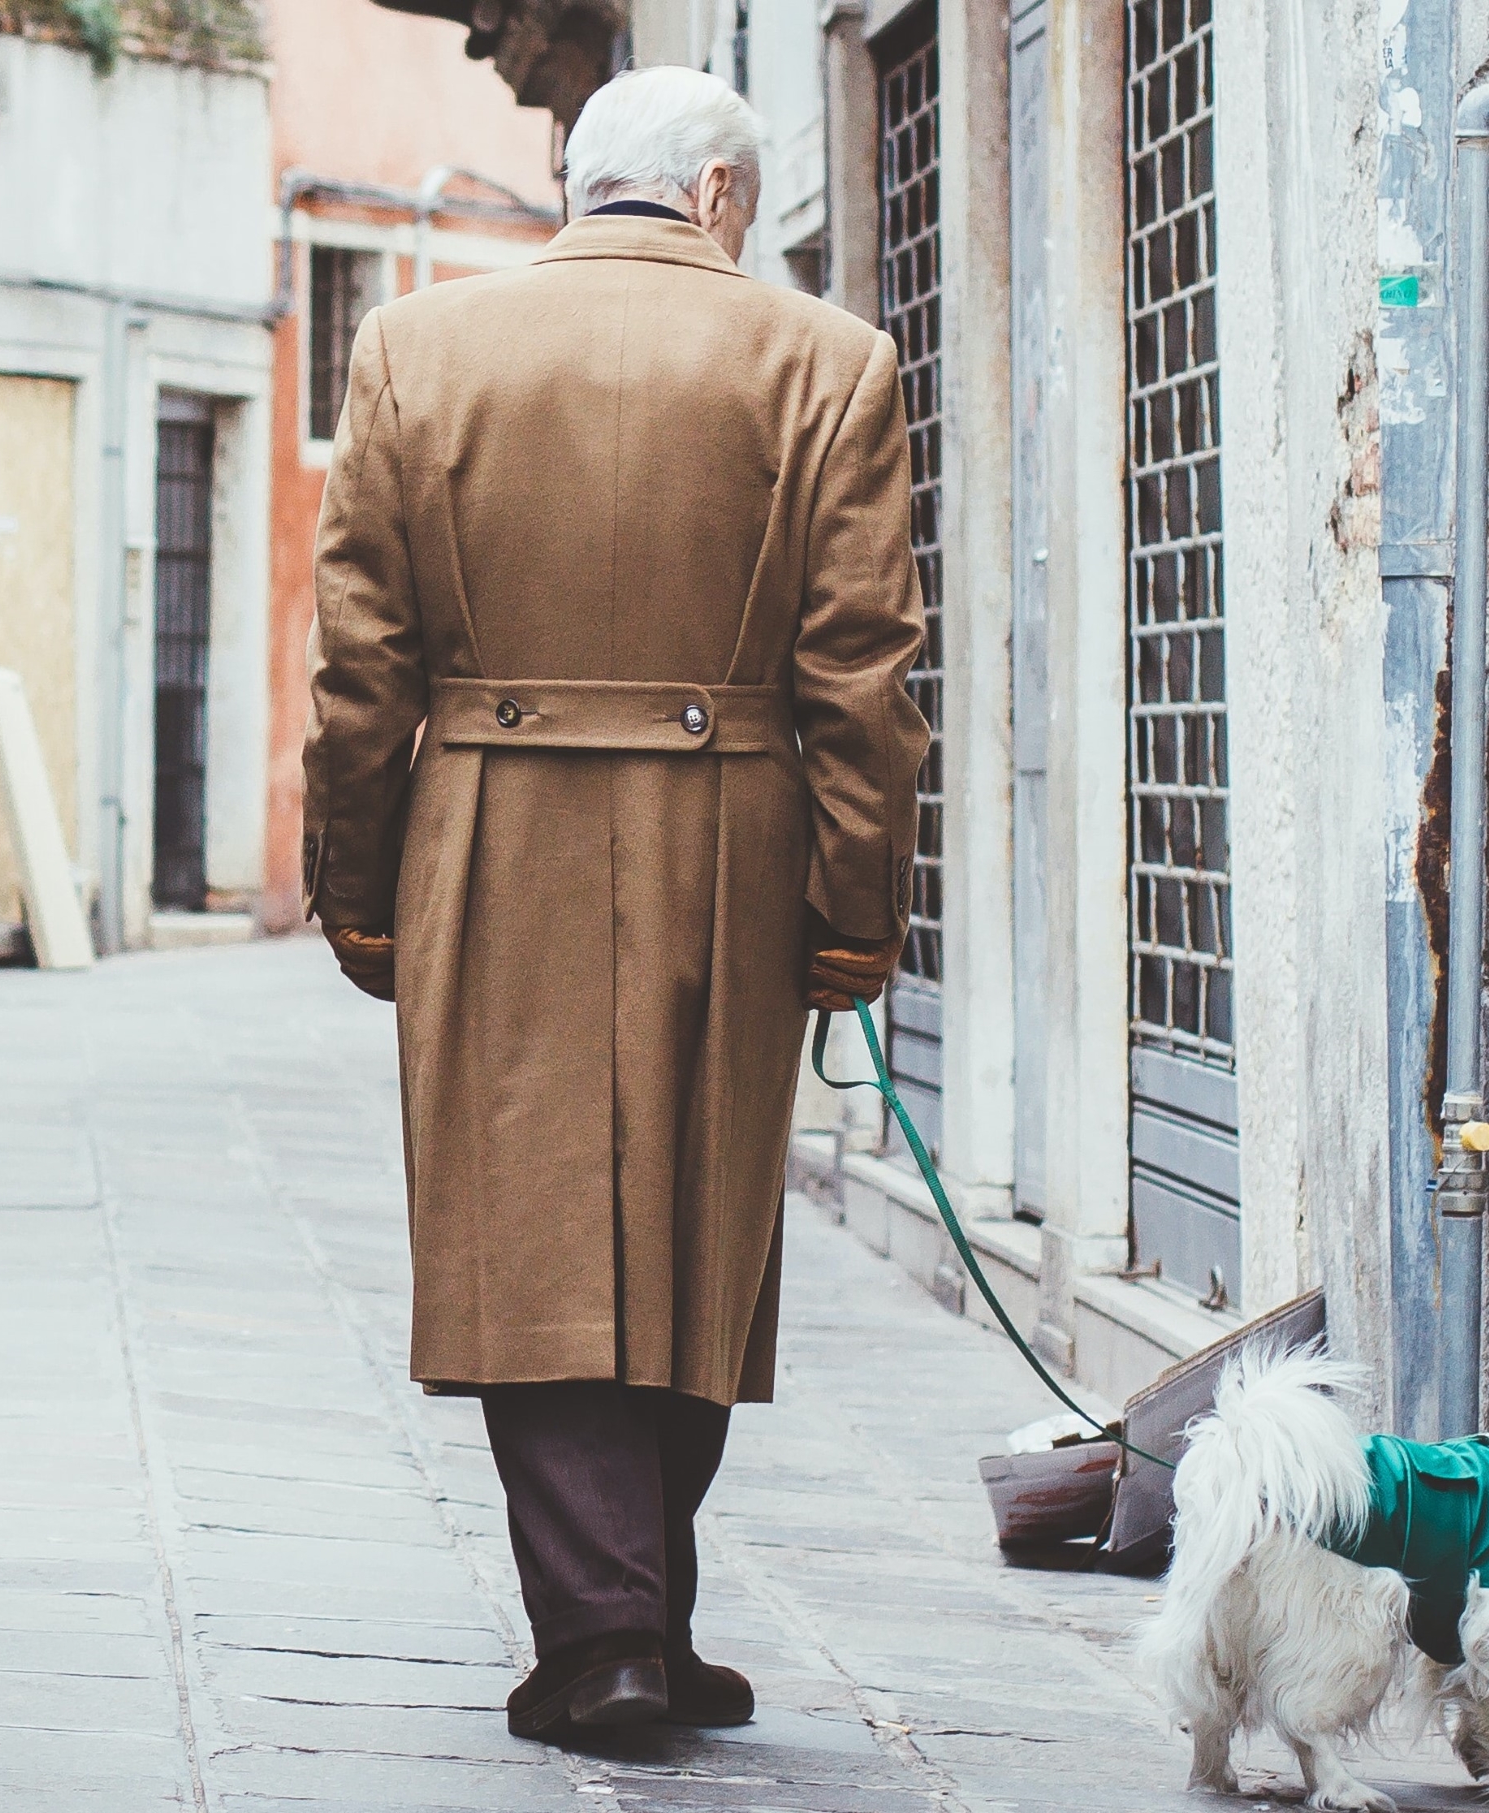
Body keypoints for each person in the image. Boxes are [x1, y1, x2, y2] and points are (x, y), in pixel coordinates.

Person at [301, 64, 929, 1744]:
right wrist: (853, 914)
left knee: (534, 1232)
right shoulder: (829, 361)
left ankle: (609, 1632)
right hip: (732, 829)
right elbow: (863, 681)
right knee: (694, 1226)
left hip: (488, 833)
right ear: (723, 199)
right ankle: (633, 1617)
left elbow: (360, 669)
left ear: (581, 184)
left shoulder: (415, 353)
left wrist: (358, 894)